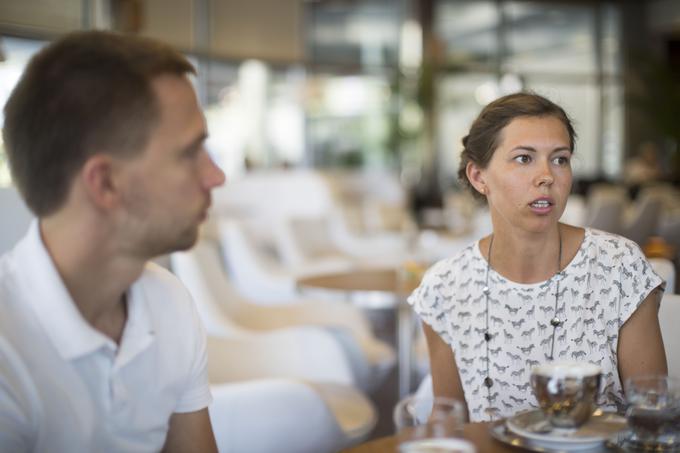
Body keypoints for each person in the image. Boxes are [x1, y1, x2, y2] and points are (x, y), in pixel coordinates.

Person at [0, 31, 225, 451]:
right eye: (190, 152)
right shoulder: (7, 351)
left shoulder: (170, 303)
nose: (216, 176)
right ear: (105, 183)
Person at [408, 93, 667, 422]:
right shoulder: (443, 288)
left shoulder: (619, 266)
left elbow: (653, 419)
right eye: (524, 159)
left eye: (560, 159)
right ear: (478, 176)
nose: (547, 176)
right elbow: (451, 426)